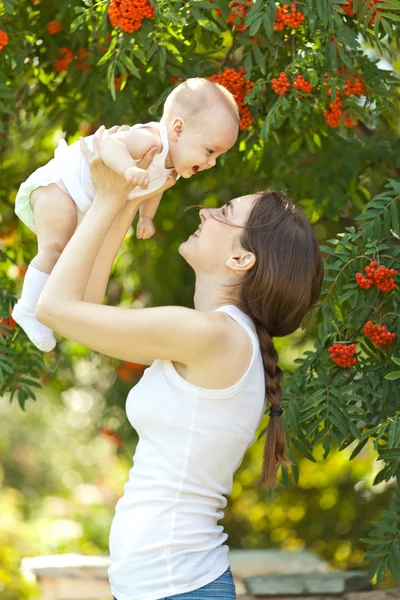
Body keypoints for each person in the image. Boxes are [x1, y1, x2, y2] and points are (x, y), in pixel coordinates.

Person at [34, 128, 324, 600]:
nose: (207, 211)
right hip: (166, 586)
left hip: (176, 588)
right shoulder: (215, 336)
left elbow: (54, 308)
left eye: (225, 213)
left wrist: (108, 197)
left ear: (240, 258)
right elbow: (84, 305)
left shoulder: (210, 335)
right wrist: (129, 197)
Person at [12, 78, 239, 352]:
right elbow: (109, 144)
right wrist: (126, 168)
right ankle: (27, 308)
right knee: (55, 247)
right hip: (59, 185)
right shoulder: (150, 138)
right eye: (210, 151)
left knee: (71, 259)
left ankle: (46, 309)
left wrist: (145, 217)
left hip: (81, 199)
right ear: (178, 128)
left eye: (218, 156)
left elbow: (154, 191)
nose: (211, 162)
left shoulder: (171, 169)